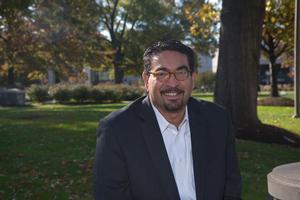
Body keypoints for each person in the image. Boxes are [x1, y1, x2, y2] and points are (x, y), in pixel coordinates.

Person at [93, 40, 242, 200]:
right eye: (161, 73)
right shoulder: (117, 130)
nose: (172, 82)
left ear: (193, 78)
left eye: (181, 72)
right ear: (146, 80)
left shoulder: (217, 120)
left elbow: (231, 186)